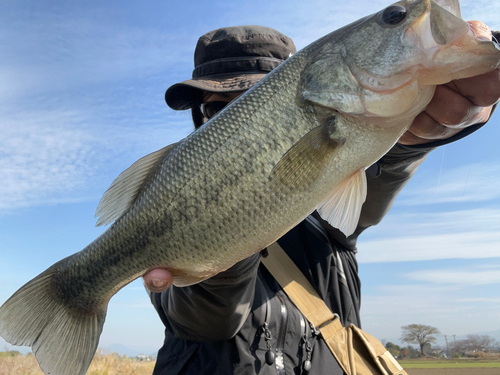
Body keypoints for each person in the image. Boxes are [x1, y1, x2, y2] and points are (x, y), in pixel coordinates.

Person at [143, 25, 500, 374]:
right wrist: (221, 236)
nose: (245, 126)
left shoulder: (328, 204)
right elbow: (206, 323)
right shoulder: (160, 216)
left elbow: (374, 168)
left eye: (259, 103)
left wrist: (412, 133)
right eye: (217, 110)